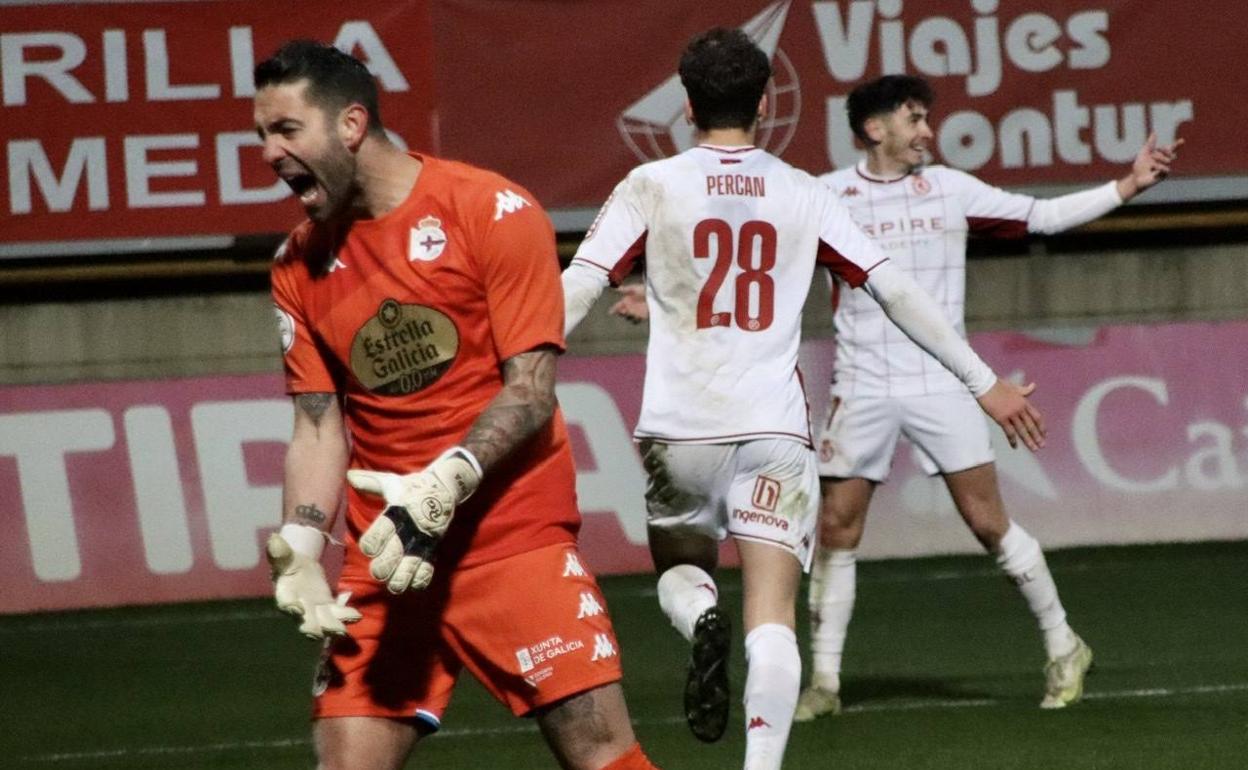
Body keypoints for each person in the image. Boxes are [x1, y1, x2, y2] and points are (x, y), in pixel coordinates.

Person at [561, 30, 1043, 770]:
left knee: (679, 572)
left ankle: (700, 618)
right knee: (773, 617)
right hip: (775, 434)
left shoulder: (650, 185)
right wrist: (983, 382)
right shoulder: (803, 191)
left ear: (686, 106)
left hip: (680, 429)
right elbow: (895, 290)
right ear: (764, 104)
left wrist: (512, 361)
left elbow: (582, 283)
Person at [254, 40, 658, 770]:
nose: (268, 151)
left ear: (350, 126)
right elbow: (318, 427)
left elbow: (531, 391)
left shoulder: (491, 211)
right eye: (262, 134)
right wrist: (305, 546)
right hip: (386, 558)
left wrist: (449, 478)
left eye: (285, 130)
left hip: (510, 539)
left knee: (600, 754)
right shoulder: (297, 264)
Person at [789, 74, 1184, 721]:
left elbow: (1043, 215)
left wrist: (1128, 186)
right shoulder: (827, 196)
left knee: (986, 521)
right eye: (914, 119)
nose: (926, 130)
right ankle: (826, 683)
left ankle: (1064, 645)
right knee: (836, 528)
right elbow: (762, 262)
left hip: (946, 381)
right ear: (873, 129)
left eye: (926, 118)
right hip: (860, 384)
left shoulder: (950, 189)